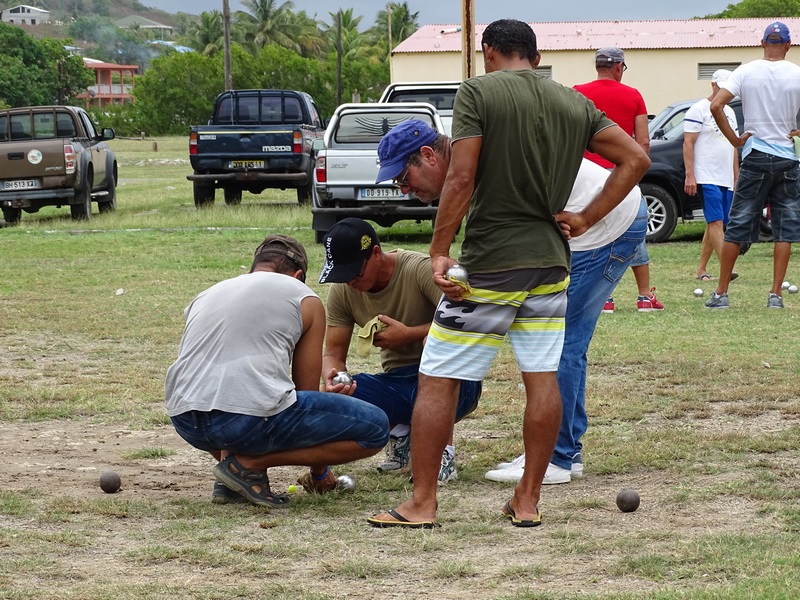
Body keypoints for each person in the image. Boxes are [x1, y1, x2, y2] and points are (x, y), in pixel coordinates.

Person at [366, 19, 649, 529]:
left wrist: (439, 250)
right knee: (542, 379)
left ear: (489, 51)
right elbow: (636, 158)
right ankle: (527, 501)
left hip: (492, 262)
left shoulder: (477, 92)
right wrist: (585, 218)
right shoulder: (574, 102)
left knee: (437, 380)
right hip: (551, 263)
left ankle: (422, 503)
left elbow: (461, 175)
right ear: (534, 56)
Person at [164, 235, 390, 506]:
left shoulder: (207, 294)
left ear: (254, 268)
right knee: (376, 428)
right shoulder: (303, 297)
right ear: (298, 276)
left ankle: (231, 479)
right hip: (240, 421)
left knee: (242, 400)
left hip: (185, 419)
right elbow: (306, 395)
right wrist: (319, 472)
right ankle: (248, 465)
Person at [318, 216, 482, 484]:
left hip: (456, 383)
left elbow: (466, 322)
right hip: (399, 382)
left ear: (375, 253)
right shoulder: (343, 291)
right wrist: (334, 378)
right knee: (338, 391)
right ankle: (402, 435)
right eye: (342, 276)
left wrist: (409, 335)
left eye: (355, 273)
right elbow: (333, 354)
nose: (350, 283)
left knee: (434, 340)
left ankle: (443, 455)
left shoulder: (419, 270)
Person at [706, 21, 800, 309]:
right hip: (787, 157)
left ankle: (721, 293)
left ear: (762, 43)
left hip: (756, 154)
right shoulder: (796, 73)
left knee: (738, 225)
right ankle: (775, 295)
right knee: (784, 229)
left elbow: (715, 105)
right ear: (788, 45)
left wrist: (735, 140)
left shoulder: (745, 71)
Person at [575, 46, 664, 313]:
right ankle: (644, 296)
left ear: (597, 66)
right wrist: (632, 176)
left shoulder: (578, 93)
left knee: (589, 235)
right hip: (620, 176)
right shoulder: (633, 95)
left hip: (585, 178)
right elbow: (643, 143)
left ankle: (603, 297)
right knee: (632, 232)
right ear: (618, 67)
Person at [683, 69, 740, 282]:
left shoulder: (730, 112)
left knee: (715, 223)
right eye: (722, 87)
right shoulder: (698, 109)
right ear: (713, 85)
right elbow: (688, 143)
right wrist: (690, 175)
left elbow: (733, 145)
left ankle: (701, 269)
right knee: (716, 222)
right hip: (706, 175)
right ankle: (727, 266)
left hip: (725, 176)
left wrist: (736, 175)